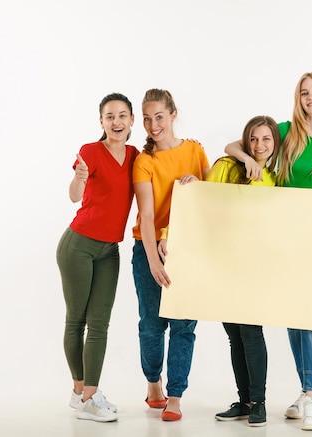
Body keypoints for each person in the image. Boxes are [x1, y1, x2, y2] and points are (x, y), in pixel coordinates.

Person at [225, 72, 312, 431]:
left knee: (308, 313)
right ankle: (305, 391)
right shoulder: (285, 131)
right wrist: (249, 160)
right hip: (279, 233)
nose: (310, 97)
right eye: (304, 92)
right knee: (294, 313)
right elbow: (235, 146)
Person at [56, 92, 139, 423]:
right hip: (78, 245)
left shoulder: (135, 156)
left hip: (109, 250)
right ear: (101, 122)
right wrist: (78, 179)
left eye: (122, 115)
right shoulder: (89, 151)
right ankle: (83, 393)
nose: (116, 122)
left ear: (132, 120)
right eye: (109, 116)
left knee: (100, 323)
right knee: (77, 319)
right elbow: (75, 197)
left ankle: (88, 393)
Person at [131, 88, 209, 422]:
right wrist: (152, 259)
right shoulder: (144, 161)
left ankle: (175, 396)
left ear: (173, 115)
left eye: (159, 117)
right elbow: (147, 216)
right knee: (152, 324)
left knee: (183, 326)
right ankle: (153, 384)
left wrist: (197, 185)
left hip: (187, 248)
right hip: (149, 247)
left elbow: (210, 201)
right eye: (147, 119)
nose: (152, 125)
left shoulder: (194, 150)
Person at [210, 115, 280, 427]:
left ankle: (259, 402)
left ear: (275, 143)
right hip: (225, 262)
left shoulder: (276, 179)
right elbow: (202, 201)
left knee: (251, 331)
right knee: (234, 334)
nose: (259, 145)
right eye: (253, 139)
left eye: (266, 139)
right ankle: (245, 400)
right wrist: (190, 186)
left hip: (257, 266)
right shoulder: (226, 167)